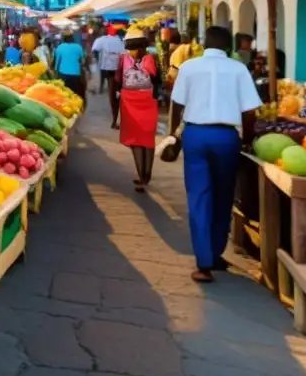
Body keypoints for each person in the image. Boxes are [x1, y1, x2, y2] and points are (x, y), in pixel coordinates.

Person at [168, 26, 262, 284]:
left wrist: (173, 135)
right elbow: (250, 112)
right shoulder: (238, 69)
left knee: (199, 196)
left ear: (203, 43)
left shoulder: (189, 67)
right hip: (226, 138)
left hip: (196, 136)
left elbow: (177, 103)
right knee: (223, 196)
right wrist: (247, 139)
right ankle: (217, 252)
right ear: (229, 46)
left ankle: (204, 262)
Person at [110, 27, 159, 193]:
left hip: (147, 103)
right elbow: (117, 80)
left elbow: (157, 80)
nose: (131, 52)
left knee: (147, 138)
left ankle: (147, 174)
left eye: (133, 49)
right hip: (128, 102)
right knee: (135, 139)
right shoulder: (123, 59)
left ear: (141, 47)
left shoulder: (151, 59)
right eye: (129, 49)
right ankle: (141, 175)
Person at [92, 28, 124, 96]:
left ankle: (102, 88)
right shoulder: (119, 40)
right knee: (116, 77)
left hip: (105, 63)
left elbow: (95, 49)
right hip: (116, 63)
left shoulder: (101, 39)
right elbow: (123, 51)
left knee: (104, 76)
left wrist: (97, 58)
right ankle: (116, 90)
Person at [54, 32, 86, 101]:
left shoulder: (60, 47)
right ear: (73, 38)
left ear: (64, 39)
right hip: (76, 74)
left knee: (64, 94)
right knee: (74, 93)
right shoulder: (79, 47)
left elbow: (57, 63)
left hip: (63, 74)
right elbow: (82, 62)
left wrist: (56, 75)